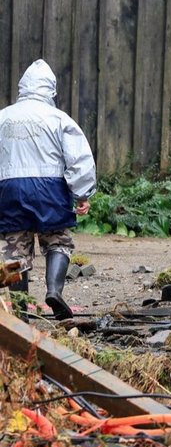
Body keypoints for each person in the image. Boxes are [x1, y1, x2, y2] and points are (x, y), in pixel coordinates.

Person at [0, 59, 97, 321]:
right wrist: (82, 193)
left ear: (23, 87)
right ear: (50, 90)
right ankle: (54, 291)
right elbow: (78, 158)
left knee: (14, 249)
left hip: (9, 188)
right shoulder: (58, 118)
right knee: (58, 239)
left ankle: (19, 313)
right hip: (49, 189)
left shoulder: (4, 117)